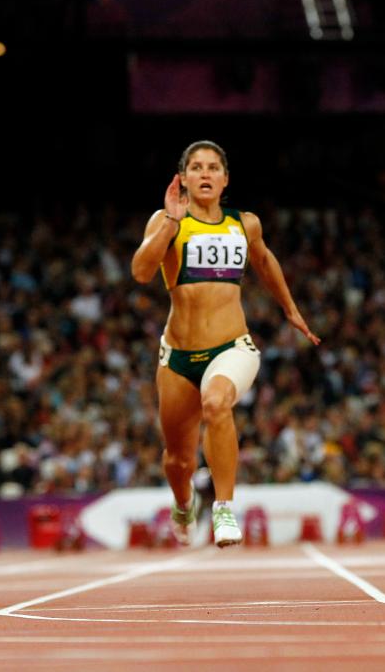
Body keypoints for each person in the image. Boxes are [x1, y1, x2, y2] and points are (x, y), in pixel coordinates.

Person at [131, 141, 319, 547]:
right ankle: (184, 503)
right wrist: (168, 222)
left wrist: (290, 308)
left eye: (213, 167)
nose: (205, 174)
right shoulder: (168, 222)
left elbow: (265, 261)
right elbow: (141, 272)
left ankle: (224, 507)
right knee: (178, 460)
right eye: (196, 167)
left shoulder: (244, 223)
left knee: (216, 404)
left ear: (225, 178)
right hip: (179, 357)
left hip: (232, 348)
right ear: (183, 178)